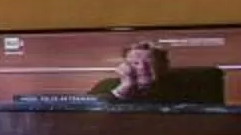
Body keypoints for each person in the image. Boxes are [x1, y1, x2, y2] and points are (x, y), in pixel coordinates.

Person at [92, 42, 228, 106]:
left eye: (149, 62)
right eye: (135, 63)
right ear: (124, 67)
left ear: (165, 66)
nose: (142, 68)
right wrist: (123, 90)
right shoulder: (107, 86)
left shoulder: (189, 86)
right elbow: (87, 115)